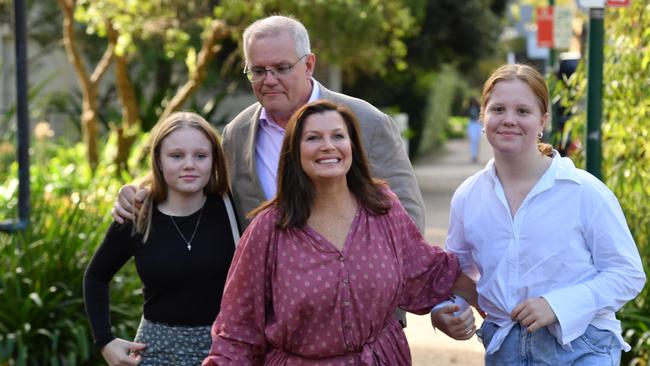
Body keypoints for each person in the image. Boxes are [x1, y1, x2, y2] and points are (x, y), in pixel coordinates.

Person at [112, 14, 425, 326]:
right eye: (258, 70)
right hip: (276, 323)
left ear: (309, 64)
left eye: (282, 68)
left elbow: (407, 217)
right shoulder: (238, 134)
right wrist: (142, 191)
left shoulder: (365, 121)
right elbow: (201, 182)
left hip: (362, 315)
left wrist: (383, 292)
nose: (269, 79)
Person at [202, 100, 478, 365]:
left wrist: (497, 303)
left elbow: (429, 271)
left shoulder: (383, 208)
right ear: (294, 152)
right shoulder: (268, 229)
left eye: (338, 136)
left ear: (353, 146)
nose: (327, 146)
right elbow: (238, 328)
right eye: (312, 138)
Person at [434, 64, 646, 365]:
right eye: (498, 109)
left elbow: (628, 274)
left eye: (523, 111)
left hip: (581, 346)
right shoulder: (468, 197)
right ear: (483, 116)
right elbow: (457, 272)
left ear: (543, 119)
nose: (509, 120)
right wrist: (450, 310)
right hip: (504, 347)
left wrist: (557, 306)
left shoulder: (583, 191)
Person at [84, 112, 240, 365]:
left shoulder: (231, 209)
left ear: (214, 159)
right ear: (158, 159)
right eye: (176, 156)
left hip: (225, 351)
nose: (189, 164)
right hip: (156, 352)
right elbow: (96, 276)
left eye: (200, 156)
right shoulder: (138, 214)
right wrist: (105, 341)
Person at [466, 97, 481, 163]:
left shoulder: (478, 108)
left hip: (477, 123)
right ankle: (473, 155)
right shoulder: (468, 108)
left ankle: (475, 155)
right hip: (471, 123)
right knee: (473, 139)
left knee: (476, 140)